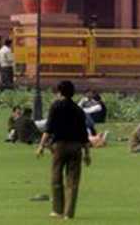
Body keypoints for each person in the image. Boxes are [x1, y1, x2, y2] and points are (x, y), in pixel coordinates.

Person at [37, 81, 91, 220]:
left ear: (60, 92)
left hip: (60, 146)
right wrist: (87, 153)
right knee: (73, 181)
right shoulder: (78, 110)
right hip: (76, 146)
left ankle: (57, 209)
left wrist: (41, 146)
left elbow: (48, 129)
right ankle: (69, 213)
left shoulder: (56, 106)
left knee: (56, 177)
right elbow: (83, 133)